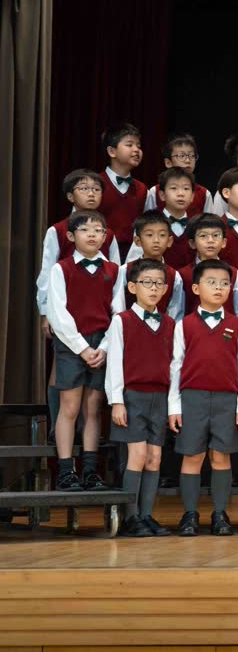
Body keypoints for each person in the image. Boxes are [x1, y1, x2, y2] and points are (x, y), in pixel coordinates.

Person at [167, 259, 238, 537]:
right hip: (192, 399)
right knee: (192, 456)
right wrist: (174, 406)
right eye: (212, 282)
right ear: (196, 288)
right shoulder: (184, 325)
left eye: (225, 283)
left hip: (226, 399)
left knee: (221, 457)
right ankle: (190, 514)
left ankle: (220, 513)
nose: (219, 288)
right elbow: (175, 367)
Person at [47, 210, 117, 492]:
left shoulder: (113, 270)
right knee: (70, 407)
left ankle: (90, 471)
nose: (92, 235)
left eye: (99, 230)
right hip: (71, 343)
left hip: (101, 343)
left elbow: (118, 312)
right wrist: (83, 348)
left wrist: (104, 347)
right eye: (86, 229)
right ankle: (66, 471)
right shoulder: (61, 269)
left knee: (93, 408)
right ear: (71, 236)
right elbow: (57, 313)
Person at [104, 258, 175, 537]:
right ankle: (131, 516)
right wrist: (117, 401)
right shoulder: (122, 321)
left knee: (155, 457)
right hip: (133, 396)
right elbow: (114, 363)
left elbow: (174, 366)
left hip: (160, 397)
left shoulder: (170, 323)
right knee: (137, 455)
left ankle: (147, 515)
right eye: (147, 283)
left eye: (159, 283)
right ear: (133, 287)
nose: (153, 288)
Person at [37, 170, 121, 333]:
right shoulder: (58, 230)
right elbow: (47, 272)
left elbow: (116, 272)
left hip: (100, 311)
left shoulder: (107, 234)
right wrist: (46, 311)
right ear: (70, 196)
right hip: (66, 306)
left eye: (96, 189)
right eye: (84, 188)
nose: (91, 193)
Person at [112, 211, 184, 320]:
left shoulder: (174, 276)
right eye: (149, 235)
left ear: (169, 241)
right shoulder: (125, 270)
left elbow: (176, 313)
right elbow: (118, 306)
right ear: (138, 241)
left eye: (162, 235)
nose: (156, 240)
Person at [128, 167, 198, 271]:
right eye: (174, 188)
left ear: (192, 196)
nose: (181, 193)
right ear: (162, 195)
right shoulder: (147, 224)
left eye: (186, 188)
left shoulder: (198, 225)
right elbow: (133, 263)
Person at [176, 214, 238, 317]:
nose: (210, 240)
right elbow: (179, 313)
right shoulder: (182, 275)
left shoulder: (235, 274)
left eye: (216, 235)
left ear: (224, 242)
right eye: (203, 236)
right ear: (192, 243)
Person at [97, 122, 148, 258]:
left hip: (133, 256)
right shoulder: (96, 185)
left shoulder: (142, 189)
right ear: (112, 151)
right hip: (102, 253)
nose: (136, 150)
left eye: (139, 146)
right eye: (129, 145)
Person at [143, 133, 216, 215]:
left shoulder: (204, 194)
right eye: (181, 156)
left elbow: (209, 221)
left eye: (192, 156)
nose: (188, 160)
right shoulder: (155, 191)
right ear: (168, 163)